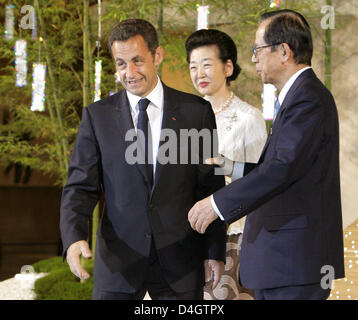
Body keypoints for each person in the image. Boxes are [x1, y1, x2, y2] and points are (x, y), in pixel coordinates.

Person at [60, 18, 226, 300]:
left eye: (138, 61)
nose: (129, 72)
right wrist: (74, 237)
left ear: (157, 56)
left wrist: (214, 252)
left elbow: (210, 189)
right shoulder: (96, 117)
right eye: (121, 63)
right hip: (118, 266)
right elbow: (80, 187)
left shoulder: (196, 113)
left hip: (180, 266)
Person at [188, 9, 345, 300]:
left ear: (283, 51)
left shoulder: (307, 99)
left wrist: (216, 204)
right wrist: (232, 167)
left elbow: (281, 170)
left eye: (257, 49)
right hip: (283, 261)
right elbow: (278, 166)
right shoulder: (298, 96)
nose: (254, 58)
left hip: (293, 260)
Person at [185, 29, 267, 300]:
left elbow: (260, 182)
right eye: (193, 66)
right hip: (190, 236)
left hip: (233, 238)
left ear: (228, 67)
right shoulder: (184, 120)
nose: (200, 73)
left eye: (207, 64)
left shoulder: (248, 118)